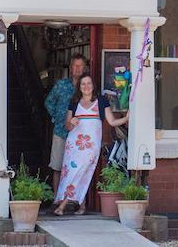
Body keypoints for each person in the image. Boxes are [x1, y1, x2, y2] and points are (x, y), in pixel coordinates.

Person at [54, 74, 128, 215]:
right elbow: (67, 125)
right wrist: (71, 123)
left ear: (93, 85)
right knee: (73, 173)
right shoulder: (74, 101)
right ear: (79, 87)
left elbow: (111, 122)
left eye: (89, 83)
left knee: (80, 171)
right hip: (74, 145)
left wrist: (126, 118)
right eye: (83, 84)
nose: (86, 86)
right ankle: (81, 206)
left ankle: (62, 205)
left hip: (91, 145)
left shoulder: (101, 101)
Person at [44, 55, 87, 199]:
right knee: (57, 166)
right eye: (75, 65)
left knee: (78, 167)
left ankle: (76, 200)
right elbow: (49, 102)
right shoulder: (61, 85)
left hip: (81, 134)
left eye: (80, 66)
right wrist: (56, 118)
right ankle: (57, 198)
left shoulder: (87, 87)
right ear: (70, 67)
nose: (77, 69)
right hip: (61, 131)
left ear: (84, 68)